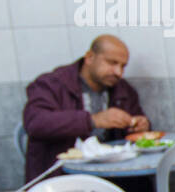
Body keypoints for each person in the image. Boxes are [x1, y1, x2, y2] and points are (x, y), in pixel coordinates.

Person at [22, 35, 149, 182]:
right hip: (62, 178)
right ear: (89, 57)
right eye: (112, 63)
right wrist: (92, 120)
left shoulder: (123, 89)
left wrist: (140, 125)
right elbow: (35, 123)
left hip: (112, 177)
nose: (118, 72)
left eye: (123, 66)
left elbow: (136, 127)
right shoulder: (51, 84)